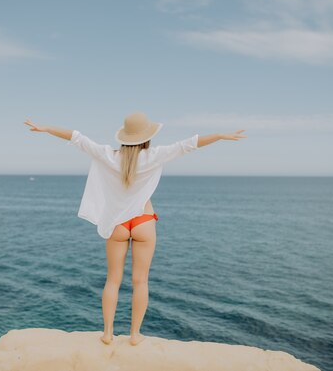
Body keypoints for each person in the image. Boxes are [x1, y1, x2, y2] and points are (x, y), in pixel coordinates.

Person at [24, 112, 246, 346]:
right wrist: (220, 135)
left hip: (117, 225)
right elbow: (190, 144)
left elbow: (77, 137)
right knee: (140, 282)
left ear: (124, 137)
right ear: (147, 137)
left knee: (112, 281)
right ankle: (135, 335)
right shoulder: (155, 156)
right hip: (144, 222)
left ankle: (108, 333)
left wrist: (46, 128)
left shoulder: (108, 155)